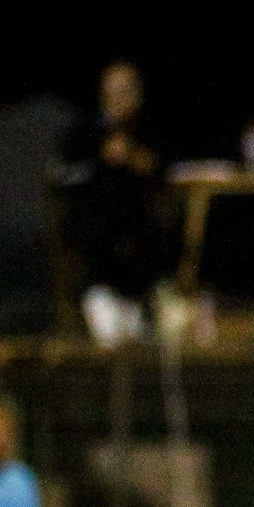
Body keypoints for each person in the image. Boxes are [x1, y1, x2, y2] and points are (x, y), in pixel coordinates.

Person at [55, 60, 170, 344]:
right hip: (96, 253)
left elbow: (160, 170)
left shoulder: (147, 131)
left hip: (140, 258)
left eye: (127, 91)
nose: (120, 99)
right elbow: (63, 177)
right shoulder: (84, 132)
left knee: (142, 338)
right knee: (111, 336)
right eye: (113, 92)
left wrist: (132, 158)